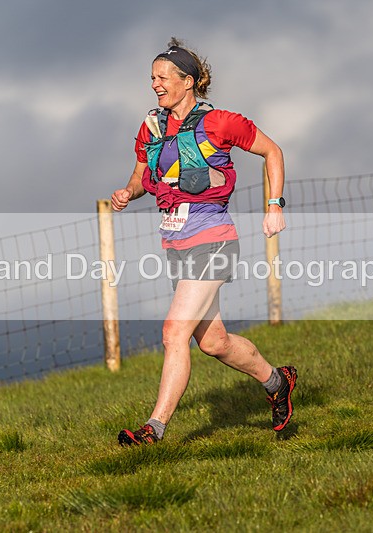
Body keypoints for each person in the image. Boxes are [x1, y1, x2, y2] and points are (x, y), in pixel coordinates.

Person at [111, 38, 297, 445]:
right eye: (152, 78)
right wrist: (127, 193)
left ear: (188, 81)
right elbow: (141, 178)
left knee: (173, 332)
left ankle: (154, 429)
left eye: (164, 77)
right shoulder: (151, 127)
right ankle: (277, 382)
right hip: (175, 244)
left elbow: (273, 152)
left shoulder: (221, 122)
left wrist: (274, 205)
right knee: (214, 342)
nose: (156, 84)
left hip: (213, 240)